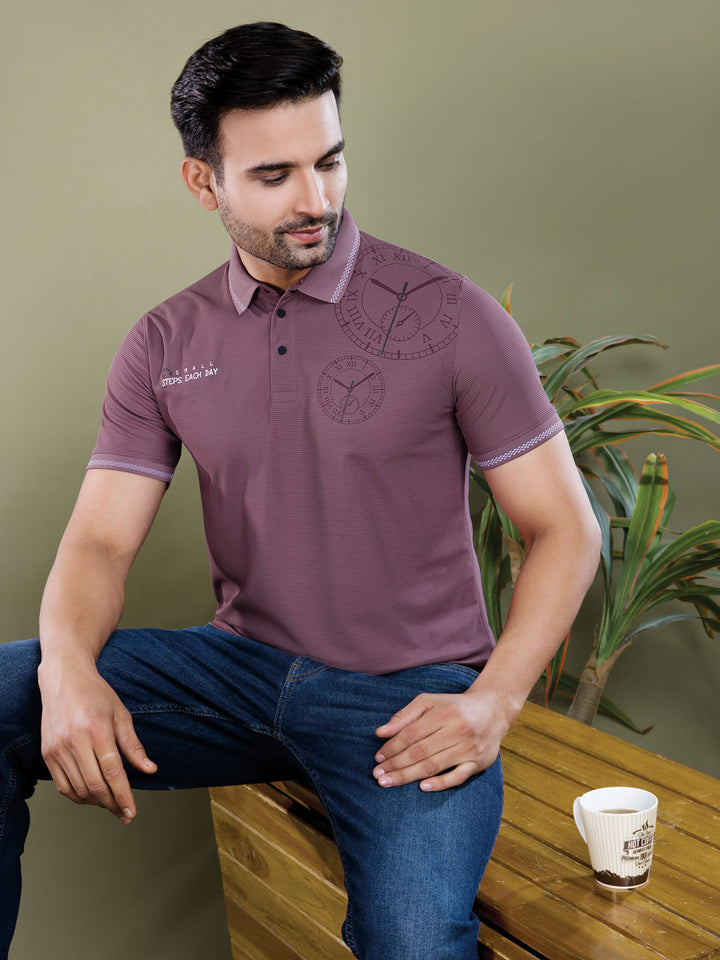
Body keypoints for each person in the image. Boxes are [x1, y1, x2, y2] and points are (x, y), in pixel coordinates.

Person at [0, 21, 601, 960]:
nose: (315, 198)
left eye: (329, 160)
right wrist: (68, 670)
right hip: (236, 676)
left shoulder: (449, 315)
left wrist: (494, 702)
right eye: (275, 175)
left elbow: (563, 528)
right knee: (4, 690)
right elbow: (100, 544)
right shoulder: (164, 343)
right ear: (204, 182)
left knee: (412, 937)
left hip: (408, 696)